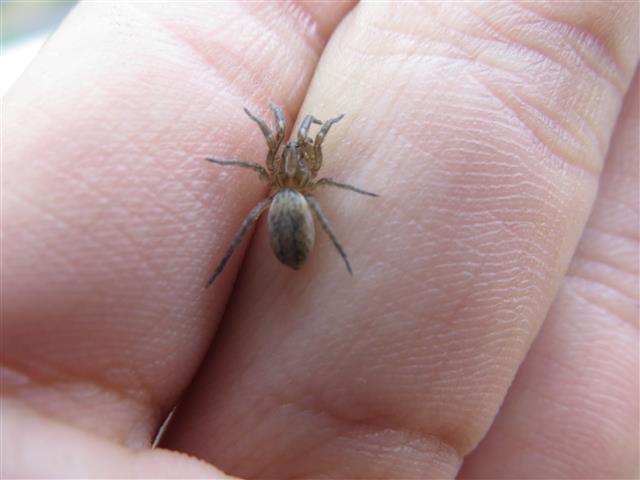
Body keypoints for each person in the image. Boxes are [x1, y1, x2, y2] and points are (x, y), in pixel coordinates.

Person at [3, 2, 638, 478]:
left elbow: (290, 152)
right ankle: (290, 250)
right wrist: (274, 137)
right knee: (278, 194)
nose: (294, 147)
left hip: (293, 209)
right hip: (294, 208)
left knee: (277, 197)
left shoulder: (290, 181)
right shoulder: (292, 182)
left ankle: (296, 248)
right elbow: (283, 152)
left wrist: (295, 138)